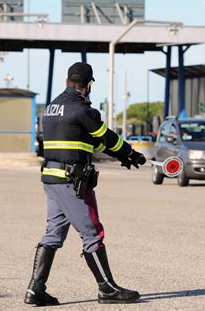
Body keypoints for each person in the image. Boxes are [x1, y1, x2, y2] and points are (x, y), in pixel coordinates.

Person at [24, 62, 146, 306]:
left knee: (53, 234)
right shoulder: (82, 110)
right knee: (92, 232)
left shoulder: (51, 108)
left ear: (67, 80)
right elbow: (105, 136)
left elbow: (86, 140)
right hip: (72, 182)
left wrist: (121, 155)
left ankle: (35, 290)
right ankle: (107, 288)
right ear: (88, 84)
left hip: (51, 179)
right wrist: (130, 153)